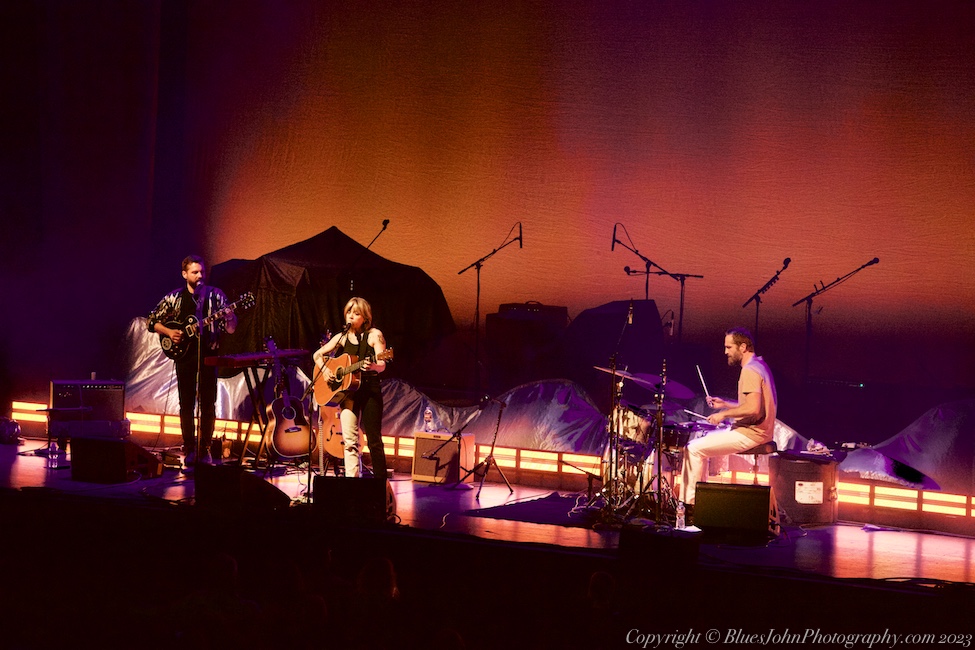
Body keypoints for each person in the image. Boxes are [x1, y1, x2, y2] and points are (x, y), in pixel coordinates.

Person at [147, 255, 237, 467]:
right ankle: (189, 447)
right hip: (184, 357)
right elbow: (152, 321)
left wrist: (230, 316)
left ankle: (205, 447)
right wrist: (169, 332)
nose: (199, 275)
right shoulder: (175, 298)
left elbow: (231, 329)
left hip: (209, 356)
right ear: (184, 274)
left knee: (208, 404)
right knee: (186, 404)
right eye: (195, 272)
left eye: (202, 271)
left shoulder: (216, 296)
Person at [680, 327, 777, 510]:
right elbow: (752, 405)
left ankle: (689, 507)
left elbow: (753, 409)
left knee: (693, 449)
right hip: (758, 431)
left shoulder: (750, 370)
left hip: (751, 433)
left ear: (743, 347)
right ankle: (701, 500)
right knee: (702, 444)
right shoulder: (760, 365)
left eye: (729, 347)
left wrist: (723, 414)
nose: (725, 352)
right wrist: (725, 404)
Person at [312, 297, 388, 479]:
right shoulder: (342, 337)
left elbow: (382, 364)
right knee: (349, 441)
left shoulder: (374, 335)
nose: (351, 316)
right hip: (349, 393)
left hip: (370, 391)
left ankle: (380, 483)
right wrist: (325, 370)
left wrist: (372, 366)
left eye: (356, 313)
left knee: (374, 440)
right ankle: (352, 481)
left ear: (365, 317)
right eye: (348, 312)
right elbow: (317, 355)